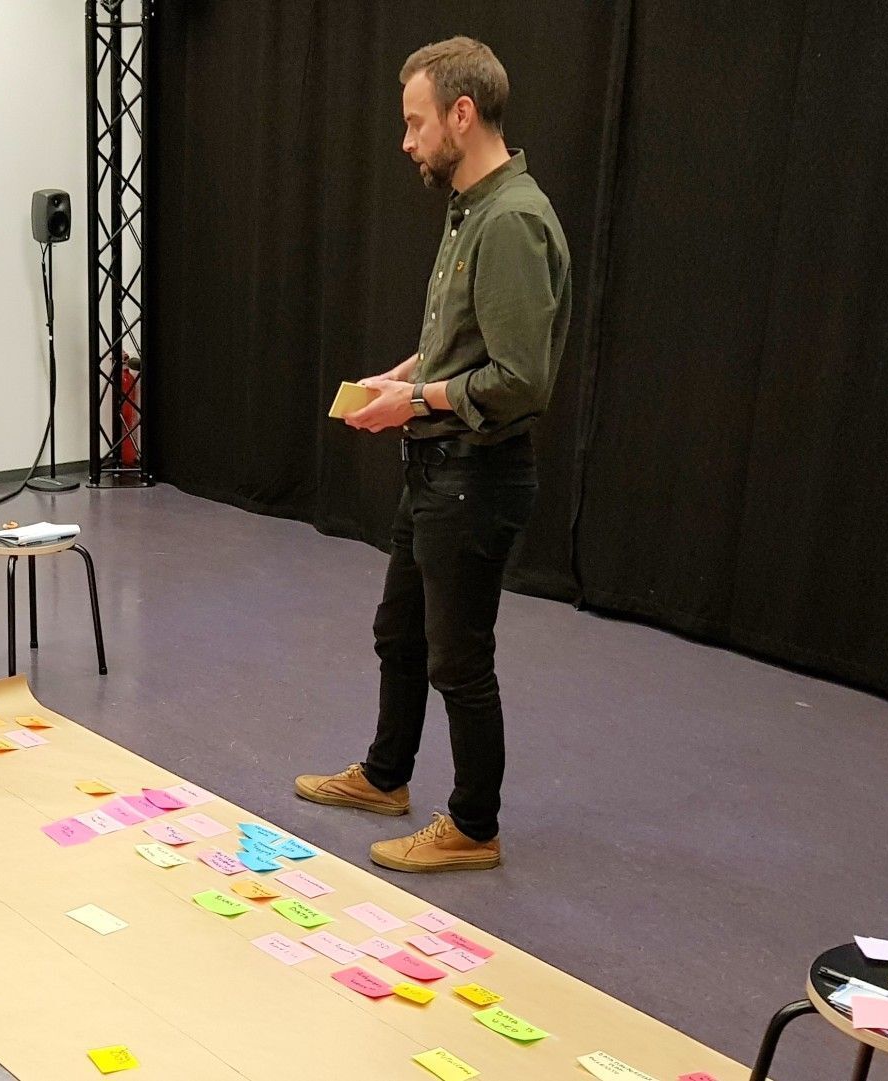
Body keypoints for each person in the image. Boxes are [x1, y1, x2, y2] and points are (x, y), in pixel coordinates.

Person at [295, 37, 572, 872]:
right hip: (435, 469)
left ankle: (473, 826)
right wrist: (404, 374)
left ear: (462, 113)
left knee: (459, 656)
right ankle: (386, 777)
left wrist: (412, 401)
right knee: (401, 634)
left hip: (475, 476)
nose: (408, 142)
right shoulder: (471, 208)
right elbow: (460, 344)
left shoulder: (514, 220)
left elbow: (520, 378)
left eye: (417, 123)